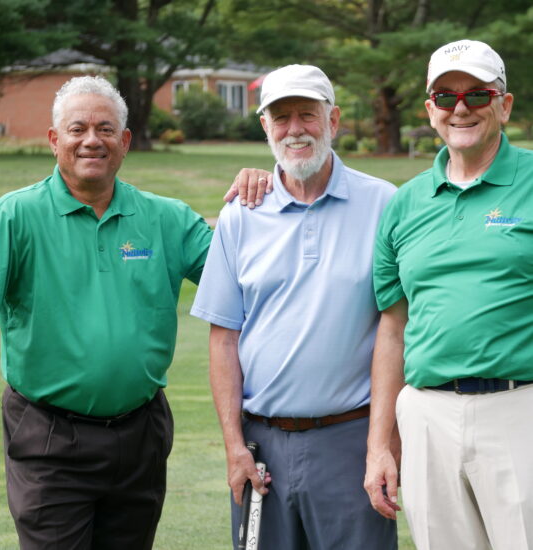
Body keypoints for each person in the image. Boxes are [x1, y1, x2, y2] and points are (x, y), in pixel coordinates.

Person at [0, 75, 212, 549]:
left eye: (106, 129)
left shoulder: (167, 219)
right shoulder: (13, 217)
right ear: (54, 140)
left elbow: (253, 275)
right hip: (48, 437)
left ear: (125, 141)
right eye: (77, 128)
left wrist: (268, 188)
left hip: (141, 433)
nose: (92, 140)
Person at [191, 64, 398, 550]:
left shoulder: (384, 204)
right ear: (265, 126)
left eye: (308, 114)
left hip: (352, 441)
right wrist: (233, 447)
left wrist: (384, 445)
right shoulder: (240, 214)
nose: (295, 129)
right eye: (281, 117)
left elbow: (399, 327)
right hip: (261, 448)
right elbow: (224, 339)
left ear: (334, 120)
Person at [364, 39, 533, 550]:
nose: (461, 108)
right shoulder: (405, 202)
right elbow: (393, 328)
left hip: (519, 409)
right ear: (430, 110)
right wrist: (379, 447)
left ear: (503, 105)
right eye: (446, 97)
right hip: (427, 416)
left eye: (477, 96)